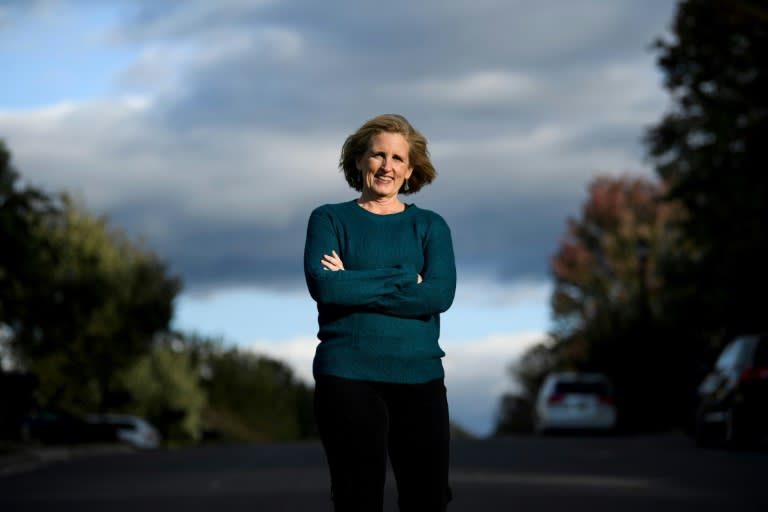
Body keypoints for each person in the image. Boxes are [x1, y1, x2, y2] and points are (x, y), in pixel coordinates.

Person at [303, 113, 457, 511]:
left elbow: (439, 295)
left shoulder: (430, 226)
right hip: (347, 376)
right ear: (359, 161)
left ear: (410, 171)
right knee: (358, 498)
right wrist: (407, 277)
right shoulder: (329, 219)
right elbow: (324, 286)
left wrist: (353, 280)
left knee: (428, 498)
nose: (387, 166)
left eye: (398, 159)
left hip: (419, 375)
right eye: (377, 155)